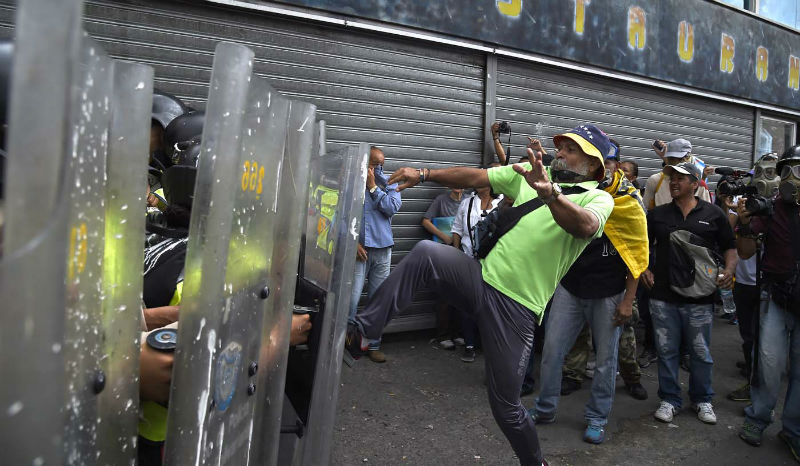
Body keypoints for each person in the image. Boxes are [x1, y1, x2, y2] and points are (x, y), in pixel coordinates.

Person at [346, 123, 616, 465]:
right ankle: (364, 334)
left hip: (516, 308)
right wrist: (425, 173)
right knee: (427, 254)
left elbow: (586, 226)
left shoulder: (598, 198)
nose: (559, 152)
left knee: (505, 406)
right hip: (480, 278)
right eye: (560, 147)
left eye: (571, 149)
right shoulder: (533, 174)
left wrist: (550, 194)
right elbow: (475, 177)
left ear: (593, 164)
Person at [530, 165, 649, 444]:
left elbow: (637, 254)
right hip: (570, 288)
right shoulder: (573, 193)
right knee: (551, 352)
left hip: (609, 294)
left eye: (603, 162)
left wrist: (628, 301)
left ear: (614, 166)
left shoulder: (627, 202)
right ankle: (545, 409)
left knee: (606, 362)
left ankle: (597, 417)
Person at [641, 161, 737, 426]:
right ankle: (670, 399)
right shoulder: (658, 214)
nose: (673, 182)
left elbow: (730, 247)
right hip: (662, 295)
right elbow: (644, 246)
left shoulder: (714, 214)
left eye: (681, 179)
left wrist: (729, 270)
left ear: (695, 184)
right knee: (667, 350)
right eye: (672, 178)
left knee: (700, 352)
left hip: (701, 297)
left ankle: (702, 398)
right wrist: (645, 269)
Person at [737, 146, 800, 460]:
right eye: (785, 171)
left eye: (797, 171)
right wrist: (745, 221)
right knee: (769, 364)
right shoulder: (772, 208)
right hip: (776, 297)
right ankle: (758, 418)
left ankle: (794, 431)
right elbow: (747, 251)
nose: (790, 179)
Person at [727, 153, 780, 402]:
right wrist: (741, 216)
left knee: (767, 339)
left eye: (771, 174)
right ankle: (752, 374)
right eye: (760, 173)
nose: (764, 179)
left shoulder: (785, 208)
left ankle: (760, 382)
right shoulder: (746, 203)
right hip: (746, 280)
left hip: (773, 285)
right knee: (749, 333)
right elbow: (741, 249)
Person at [350, 146, 402, 363]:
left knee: (378, 300)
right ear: (365, 162)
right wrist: (351, 243)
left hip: (382, 251)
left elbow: (392, 207)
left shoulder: (389, 183)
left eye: (382, 164)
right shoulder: (352, 182)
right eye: (374, 164)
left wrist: (373, 187)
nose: (379, 168)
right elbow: (337, 214)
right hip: (358, 253)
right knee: (350, 300)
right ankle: (347, 344)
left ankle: (373, 345)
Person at [451, 185, 502, 362]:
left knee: (491, 305)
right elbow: (457, 229)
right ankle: (469, 344)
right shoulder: (467, 203)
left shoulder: (502, 202)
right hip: (468, 259)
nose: (478, 184)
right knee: (468, 303)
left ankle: (489, 345)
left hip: (494, 263)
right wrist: (456, 253)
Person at [423, 187, 465, 350]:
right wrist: (445, 237)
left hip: (463, 251)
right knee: (444, 294)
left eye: (461, 182)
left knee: (461, 294)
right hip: (444, 250)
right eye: (455, 182)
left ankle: (459, 333)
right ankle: (443, 335)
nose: (458, 185)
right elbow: (425, 220)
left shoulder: (468, 200)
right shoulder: (441, 200)